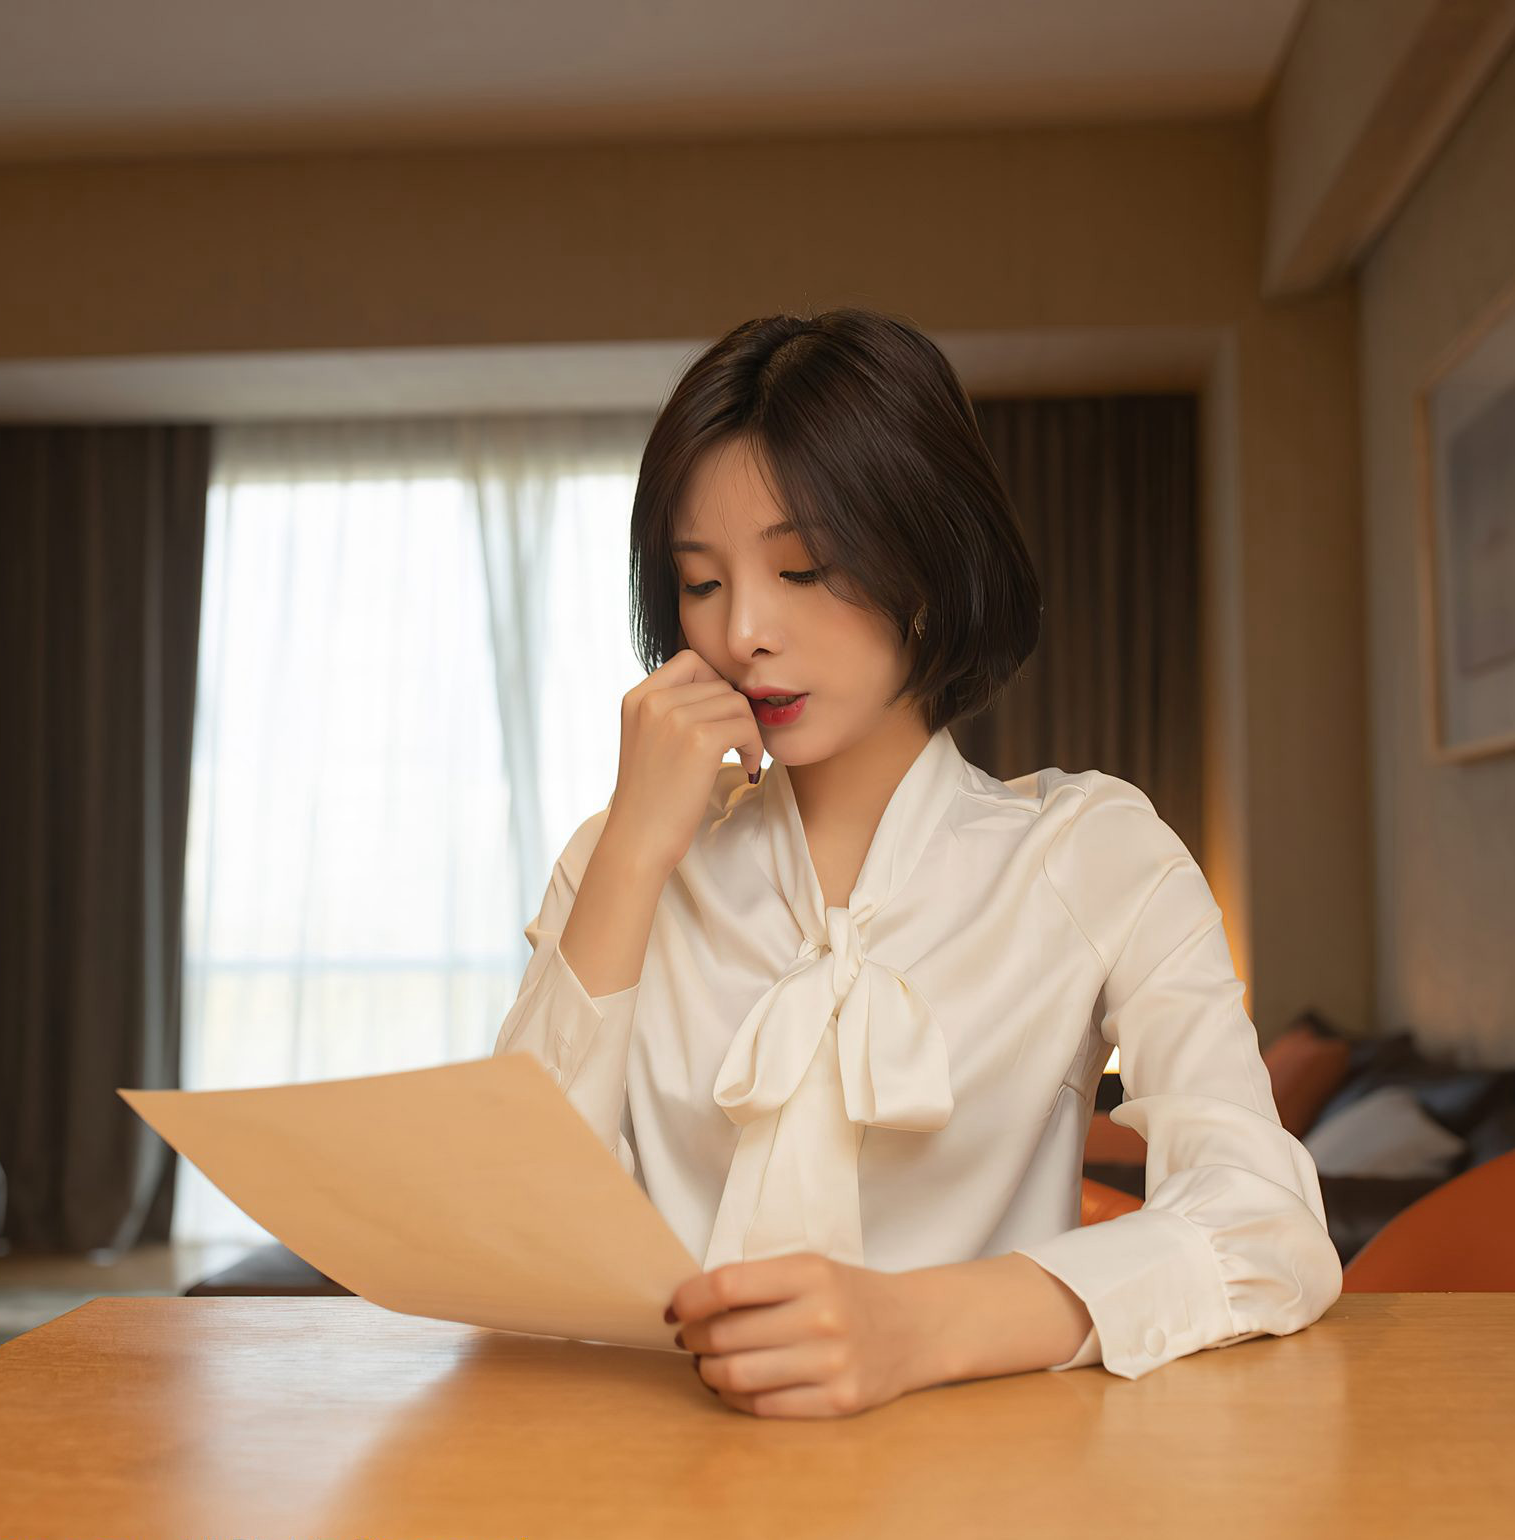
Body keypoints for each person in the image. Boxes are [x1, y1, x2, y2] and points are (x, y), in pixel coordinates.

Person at [491, 307, 1341, 1418]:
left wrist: (919, 1326)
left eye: (801, 567)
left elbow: (1267, 1223)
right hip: (659, 1478)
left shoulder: (1089, 855)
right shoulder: (625, 860)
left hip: (995, 1475)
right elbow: (504, 1238)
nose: (742, 629)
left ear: (927, 570)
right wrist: (635, 846)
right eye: (701, 583)